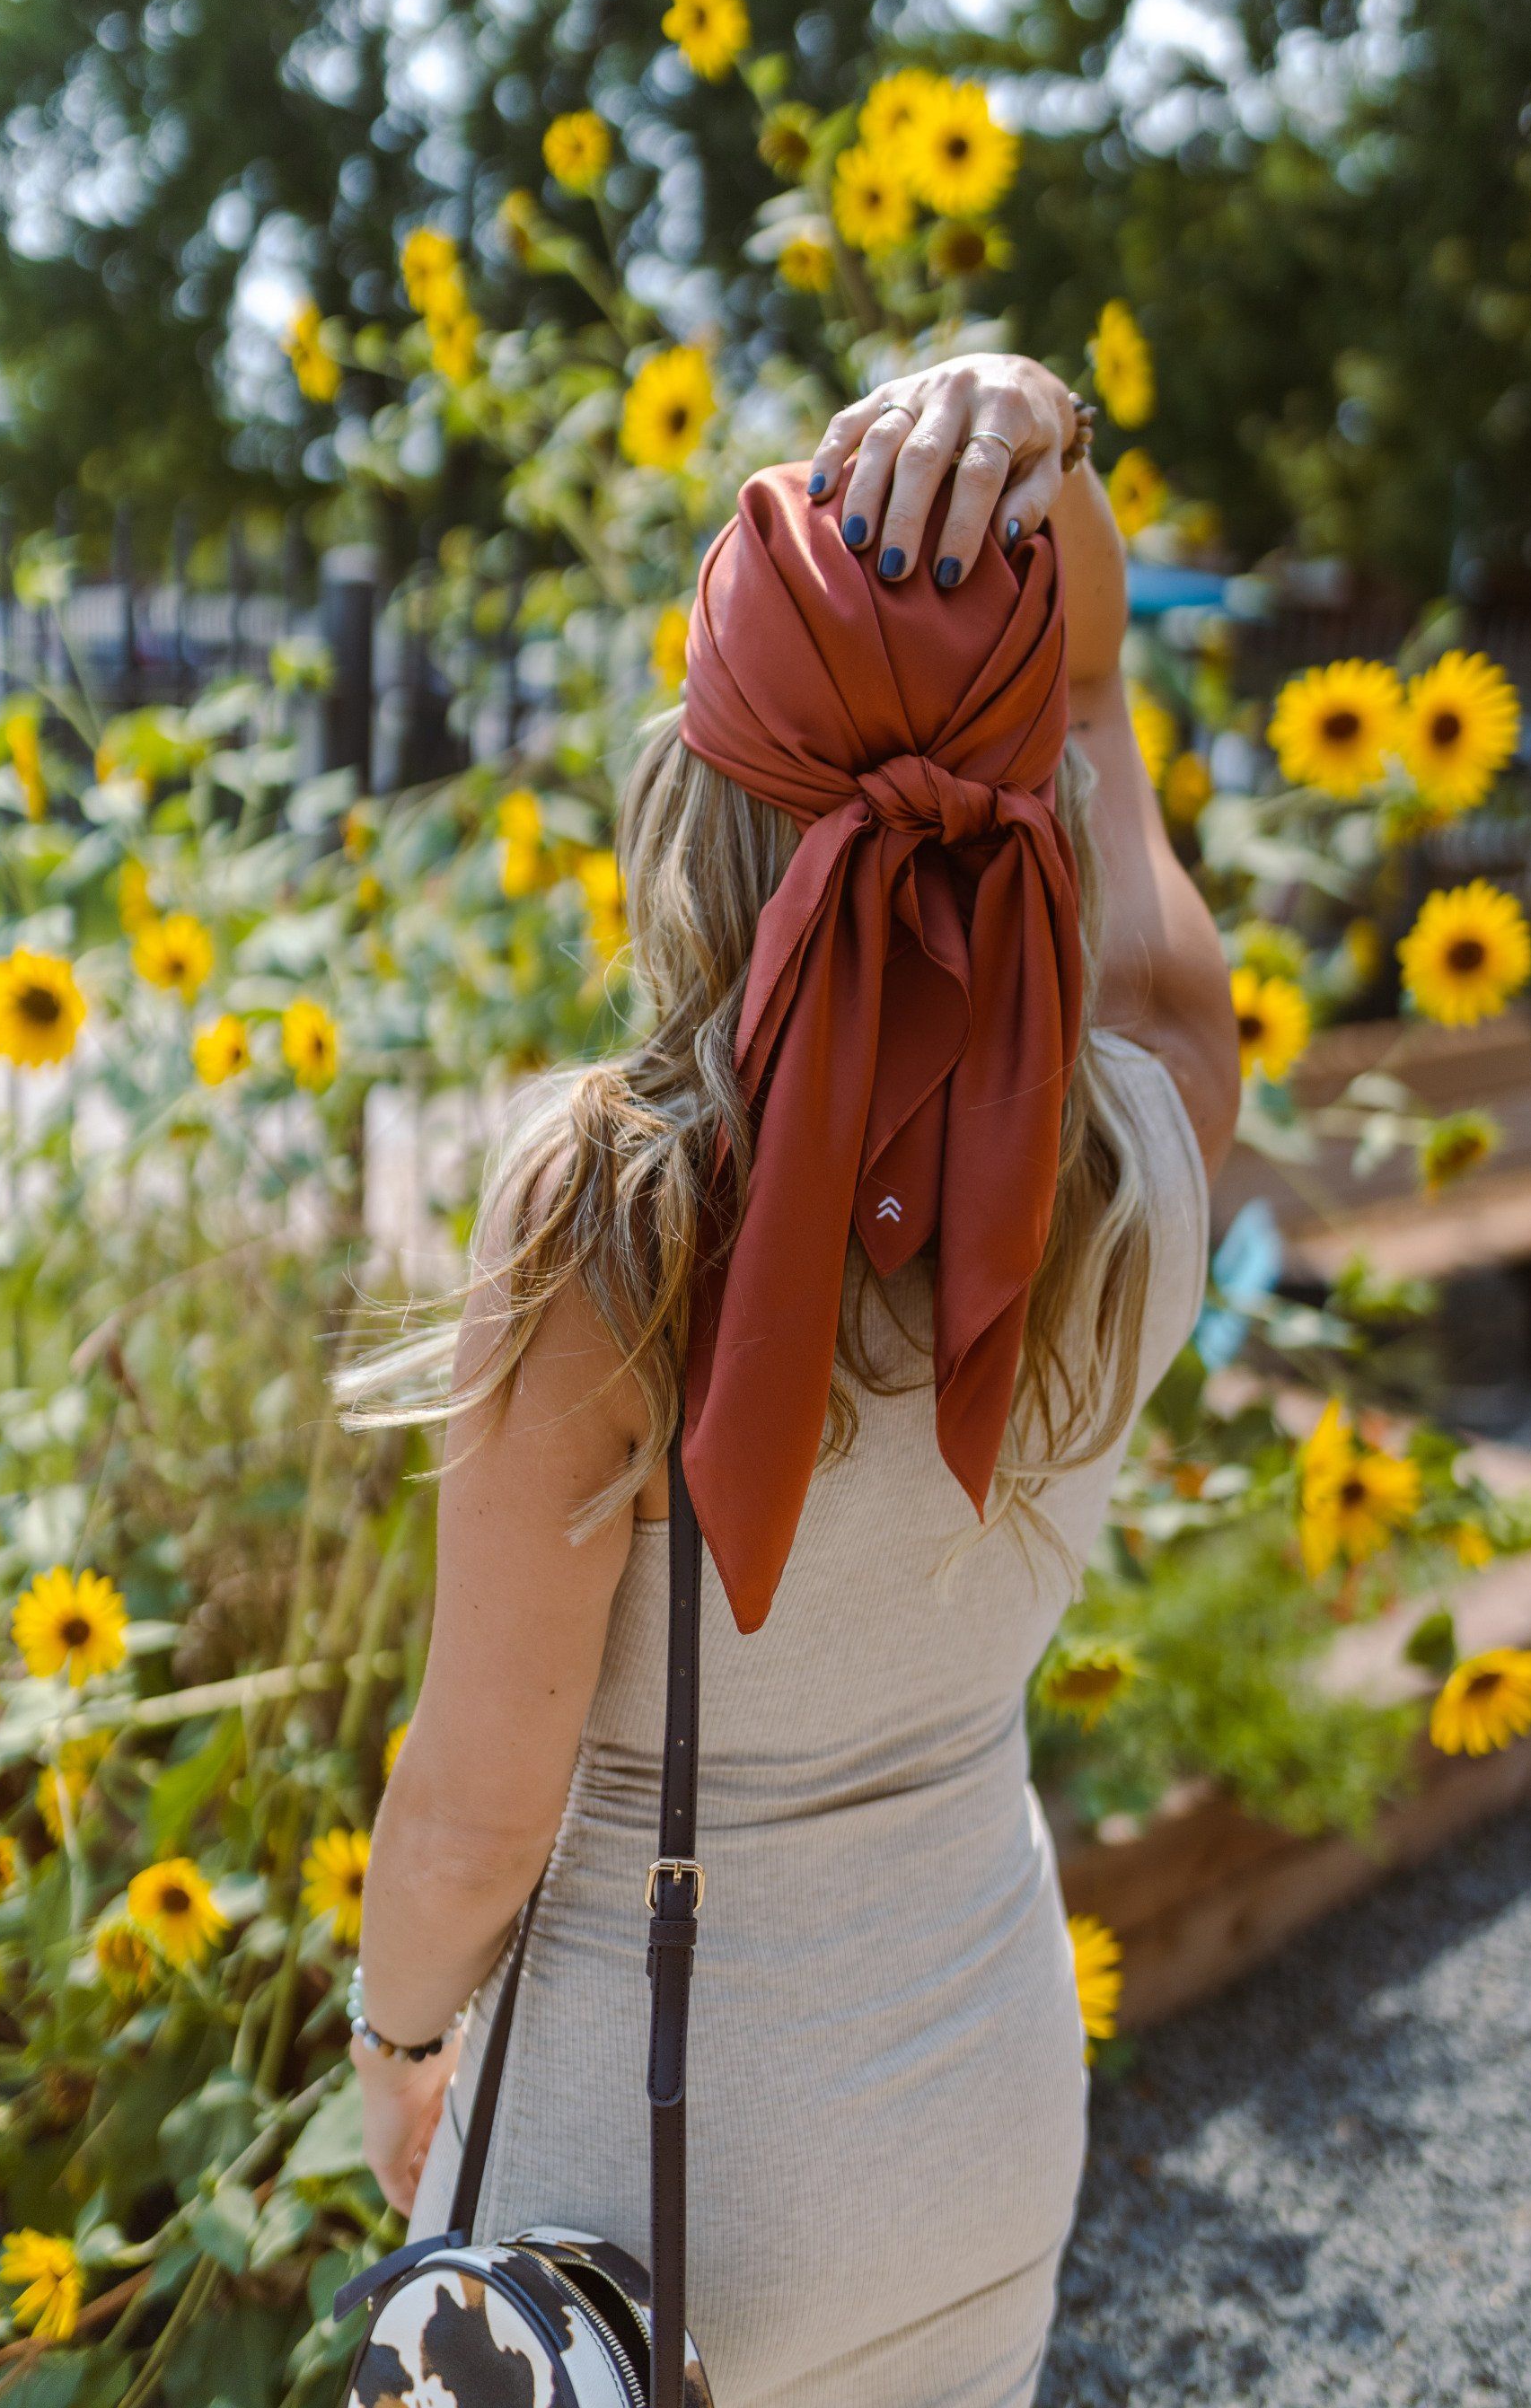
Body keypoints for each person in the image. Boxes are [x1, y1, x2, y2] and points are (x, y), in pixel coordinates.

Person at [339, 351, 1238, 2408]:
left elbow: (479, 1808)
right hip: (980, 2109)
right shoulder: (1142, 1153)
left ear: (707, 786)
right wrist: (1041, 449)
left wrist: (396, 2051)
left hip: (632, 2195)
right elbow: (1096, 709)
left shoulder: (614, 1213)